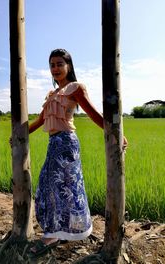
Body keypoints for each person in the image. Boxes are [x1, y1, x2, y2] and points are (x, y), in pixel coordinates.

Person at [28, 48, 127, 257]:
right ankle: (57, 231)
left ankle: (52, 235)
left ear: (69, 66)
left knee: (60, 189)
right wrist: (20, 134)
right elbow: (39, 121)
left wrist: (116, 134)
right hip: (53, 143)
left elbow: (93, 114)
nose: (55, 68)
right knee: (49, 188)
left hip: (66, 143)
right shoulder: (51, 94)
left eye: (59, 64)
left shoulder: (75, 88)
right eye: (52, 65)